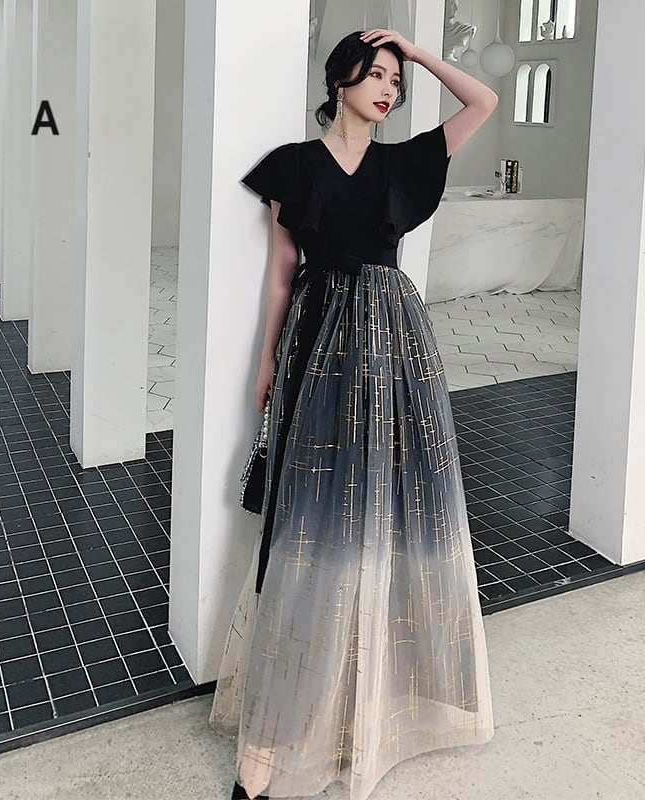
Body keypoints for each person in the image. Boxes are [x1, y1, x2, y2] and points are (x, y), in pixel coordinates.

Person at [209, 27, 498, 800]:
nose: (387, 90)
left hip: (395, 349)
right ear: (340, 79)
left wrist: (416, 50)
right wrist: (266, 360)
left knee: (387, 515)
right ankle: (270, 746)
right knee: (310, 522)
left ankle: (366, 712)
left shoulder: (404, 163)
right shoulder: (295, 166)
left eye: (395, 82)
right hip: (317, 345)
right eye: (375, 75)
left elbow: (485, 100)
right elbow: (281, 274)